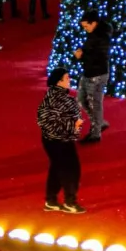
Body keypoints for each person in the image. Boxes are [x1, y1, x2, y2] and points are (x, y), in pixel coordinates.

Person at [38, 66, 85, 213]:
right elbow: (46, 120)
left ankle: (51, 200)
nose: (69, 80)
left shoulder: (55, 96)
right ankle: (69, 201)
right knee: (70, 170)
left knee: (57, 168)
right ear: (59, 82)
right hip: (59, 140)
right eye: (66, 78)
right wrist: (73, 125)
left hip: (56, 139)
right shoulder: (57, 99)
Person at [74, 10, 111, 142]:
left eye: (86, 26)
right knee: (81, 100)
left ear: (94, 23)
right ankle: (99, 123)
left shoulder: (102, 37)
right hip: (88, 72)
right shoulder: (93, 34)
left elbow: (98, 56)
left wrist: (82, 56)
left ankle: (95, 133)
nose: (85, 29)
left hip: (97, 74)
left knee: (94, 103)